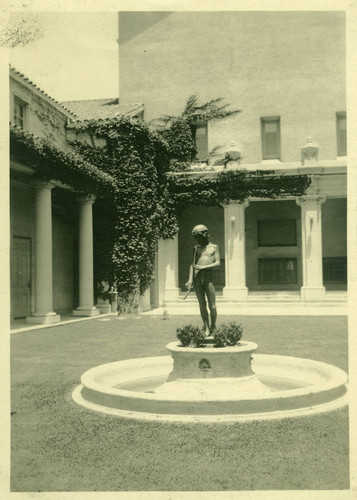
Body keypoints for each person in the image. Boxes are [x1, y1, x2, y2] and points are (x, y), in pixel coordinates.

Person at [185, 224, 220, 337]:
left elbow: (218, 263)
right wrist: (190, 280)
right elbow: (192, 264)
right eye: (196, 238)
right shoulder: (196, 249)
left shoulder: (214, 247)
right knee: (201, 304)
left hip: (208, 279)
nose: (197, 240)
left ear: (205, 235)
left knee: (212, 306)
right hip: (197, 279)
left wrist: (203, 267)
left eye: (199, 237)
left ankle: (213, 326)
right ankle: (206, 327)